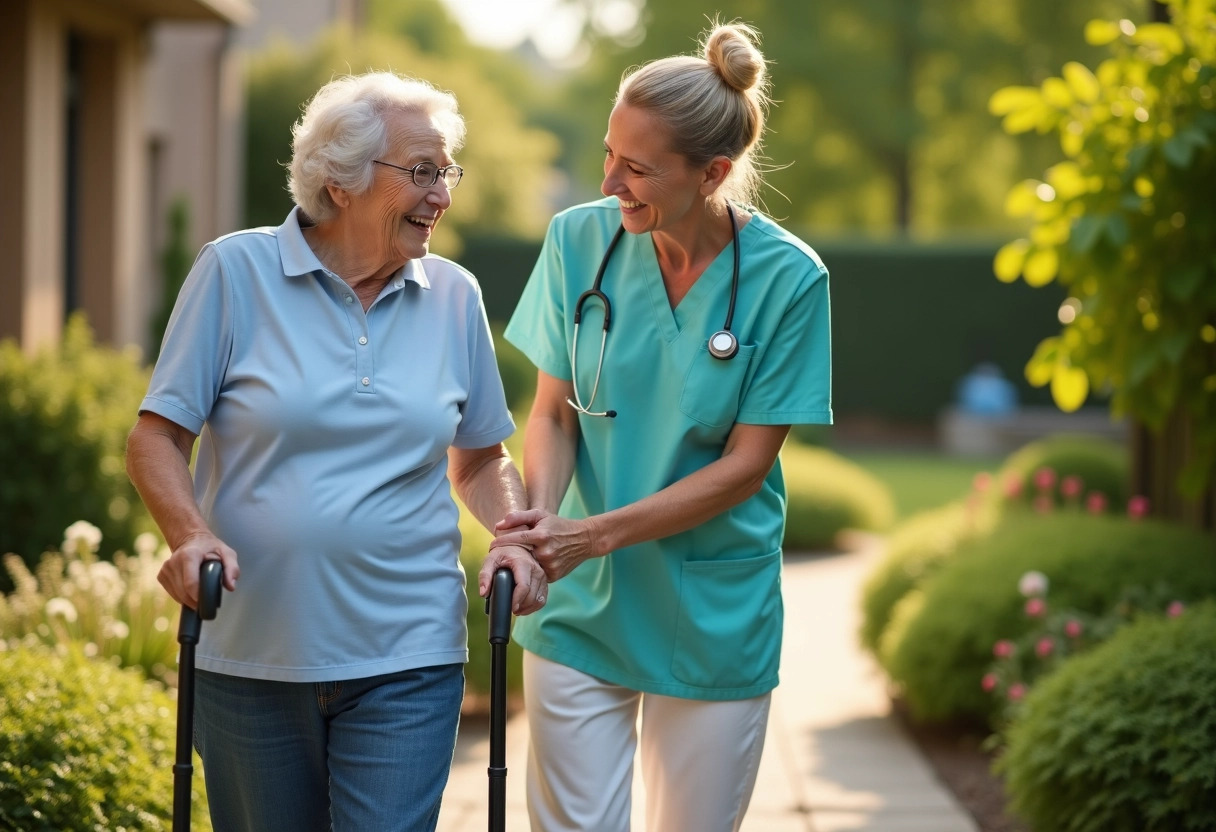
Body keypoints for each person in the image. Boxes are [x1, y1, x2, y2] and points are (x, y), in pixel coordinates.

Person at [125, 71, 547, 832]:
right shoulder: (234, 273)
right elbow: (157, 436)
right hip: (254, 652)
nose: (442, 194)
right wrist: (191, 536)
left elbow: (481, 457)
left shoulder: (455, 295)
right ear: (341, 180)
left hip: (409, 653)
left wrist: (513, 538)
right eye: (421, 171)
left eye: (446, 171)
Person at [489, 21, 833, 832]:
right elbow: (551, 413)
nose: (611, 180)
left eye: (638, 168)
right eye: (610, 153)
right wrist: (542, 528)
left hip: (707, 607)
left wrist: (593, 534)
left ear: (712, 173)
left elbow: (746, 466)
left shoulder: (789, 279)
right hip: (583, 601)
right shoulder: (580, 239)